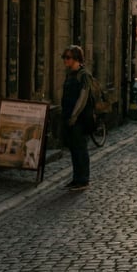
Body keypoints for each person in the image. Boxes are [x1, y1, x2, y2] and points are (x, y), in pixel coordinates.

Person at [60, 45, 92, 190]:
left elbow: (83, 96)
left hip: (79, 118)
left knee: (80, 149)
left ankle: (83, 179)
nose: (65, 60)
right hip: (69, 116)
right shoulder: (70, 74)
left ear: (76, 58)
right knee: (74, 149)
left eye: (68, 57)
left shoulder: (83, 75)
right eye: (64, 57)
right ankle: (76, 178)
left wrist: (74, 115)